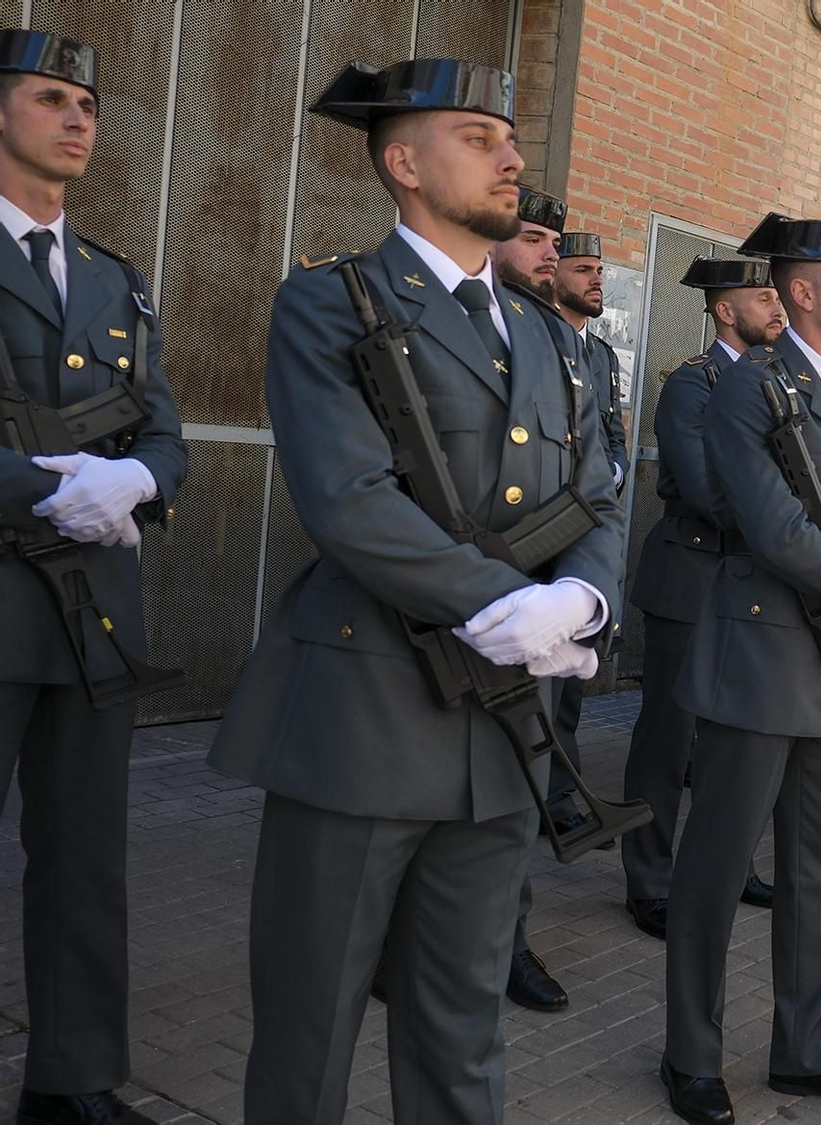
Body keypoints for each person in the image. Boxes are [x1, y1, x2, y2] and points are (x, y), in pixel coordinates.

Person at [207, 59, 627, 1124]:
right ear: (403, 162)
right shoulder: (330, 303)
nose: (513, 157)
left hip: (499, 734)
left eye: (511, 137)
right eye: (479, 134)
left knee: (461, 1029)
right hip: (364, 718)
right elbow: (347, 499)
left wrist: (578, 603)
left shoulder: (546, 334)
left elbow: (596, 496)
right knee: (310, 1031)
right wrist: (507, 603)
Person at [662, 214, 821, 1121]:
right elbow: (770, 524)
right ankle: (690, 1051)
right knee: (717, 864)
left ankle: (809, 1048)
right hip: (764, 653)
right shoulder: (748, 390)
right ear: (802, 292)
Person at [0, 32, 188, 1125]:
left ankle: (70, 1081)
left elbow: (163, 433)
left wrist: (136, 484)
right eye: (50, 98)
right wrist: (38, 491)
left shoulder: (116, 277)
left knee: (84, 862)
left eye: (88, 104)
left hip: (92, 612)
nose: (78, 118)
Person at [624, 257, 783, 943]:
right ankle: (650, 878)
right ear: (725, 310)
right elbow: (697, 480)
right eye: (762, 296)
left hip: (746, 583)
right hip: (691, 577)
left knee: (732, 739)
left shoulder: (777, 382)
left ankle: (726, 863)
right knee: (669, 739)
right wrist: (782, 525)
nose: (777, 306)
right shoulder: (696, 382)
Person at [489, 182, 580, 1014]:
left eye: (555, 237)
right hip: (465, 598)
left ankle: (507, 941)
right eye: (533, 234)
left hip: (545, 604)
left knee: (523, 782)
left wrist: (581, 591)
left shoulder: (561, 339)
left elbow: (598, 472)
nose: (548, 249)